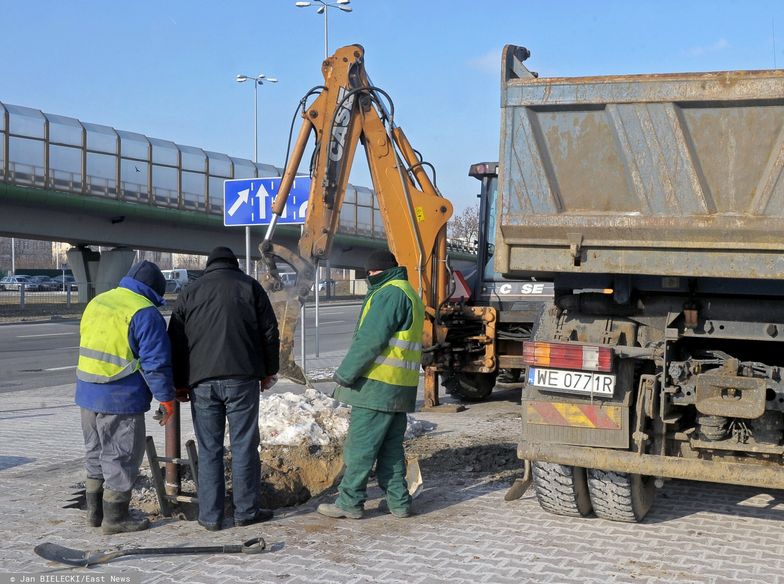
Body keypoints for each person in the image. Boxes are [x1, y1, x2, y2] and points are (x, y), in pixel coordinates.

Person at [168, 246, 280, 531]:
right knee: (243, 446)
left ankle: (211, 517)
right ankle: (246, 513)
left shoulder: (190, 292)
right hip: (243, 378)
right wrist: (268, 372)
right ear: (235, 265)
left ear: (209, 265)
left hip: (202, 382)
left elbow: (176, 342)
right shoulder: (250, 287)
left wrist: (179, 383)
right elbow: (270, 332)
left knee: (209, 450)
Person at [318, 250, 424, 520]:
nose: (369, 277)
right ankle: (399, 503)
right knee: (390, 448)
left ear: (378, 271)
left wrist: (345, 374)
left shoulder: (389, 293)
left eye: (371, 273)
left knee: (360, 447)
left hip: (378, 386)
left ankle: (349, 502)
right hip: (400, 388)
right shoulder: (407, 291)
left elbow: (370, 340)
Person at [75, 260, 175, 535]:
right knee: (121, 456)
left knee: (94, 452)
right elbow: (155, 363)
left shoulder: (98, 302)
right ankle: (115, 519)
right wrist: (166, 399)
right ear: (154, 291)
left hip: (86, 392)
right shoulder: (145, 312)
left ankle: (94, 514)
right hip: (120, 397)